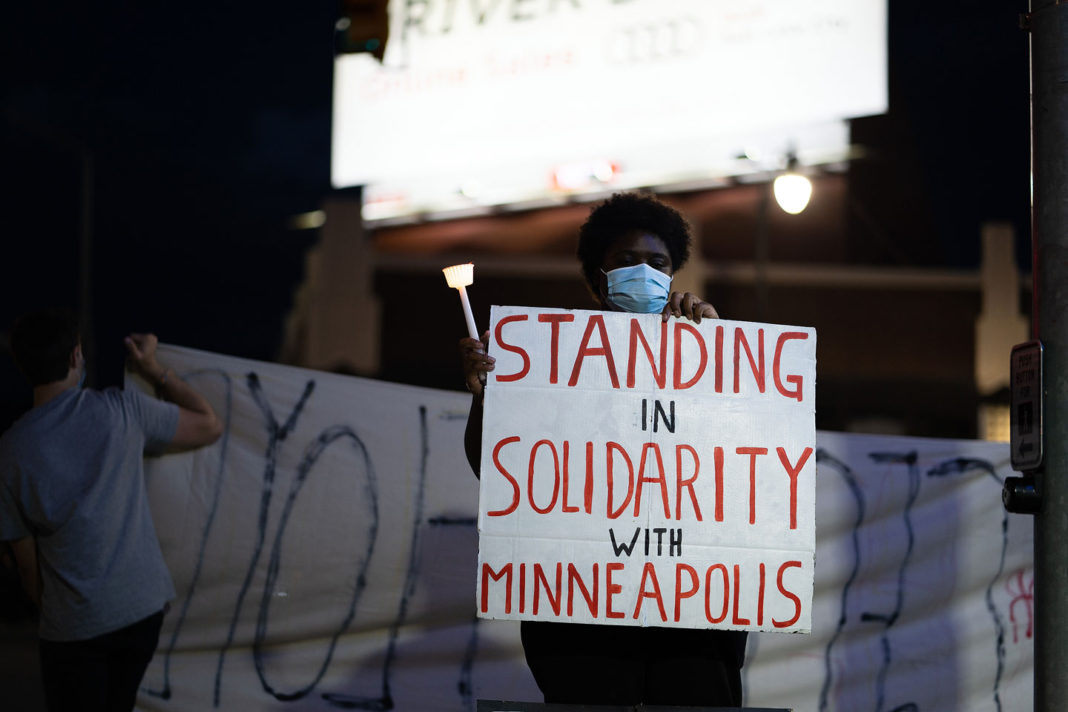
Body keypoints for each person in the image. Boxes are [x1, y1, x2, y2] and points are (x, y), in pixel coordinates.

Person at [459, 193, 748, 707]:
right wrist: (490, 398)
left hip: (692, 619)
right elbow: (496, 468)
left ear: (673, 272)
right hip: (581, 622)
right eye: (626, 262)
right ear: (598, 277)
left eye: (657, 263)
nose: (644, 272)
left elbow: (745, 465)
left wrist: (718, 350)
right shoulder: (549, 358)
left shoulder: (707, 344)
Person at [0, 308, 223, 712]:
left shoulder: (10, 451)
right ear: (74, 357)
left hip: (72, 629)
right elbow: (209, 424)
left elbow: (27, 565)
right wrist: (154, 369)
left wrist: (57, 613)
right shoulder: (121, 412)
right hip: (140, 612)